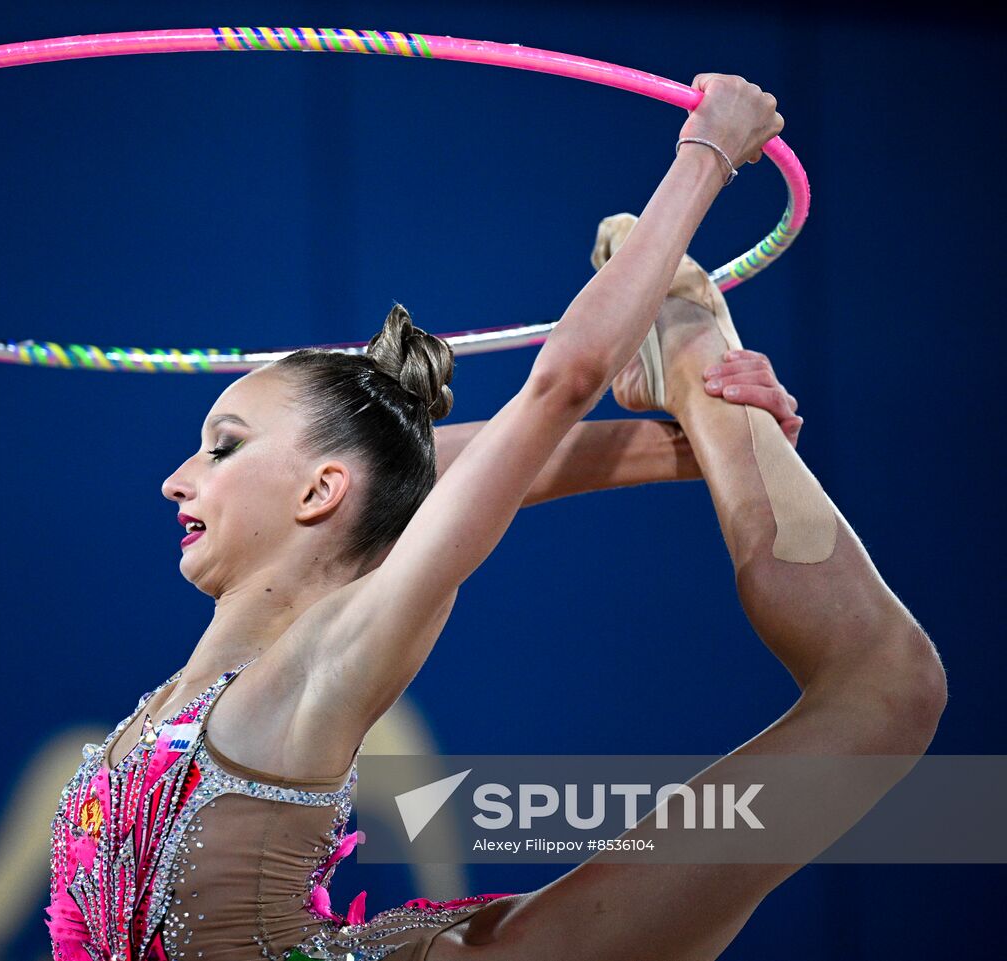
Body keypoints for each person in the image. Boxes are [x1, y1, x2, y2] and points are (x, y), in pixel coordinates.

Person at [47, 73, 945, 961]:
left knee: (890, 687)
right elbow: (401, 471)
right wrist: (686, 441)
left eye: (221, 444)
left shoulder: (334, 650)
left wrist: (708, 154)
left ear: (319, 493)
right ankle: (703, 394)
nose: (174, 478)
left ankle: (690, 346)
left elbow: (554, 388)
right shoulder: (168, 708)